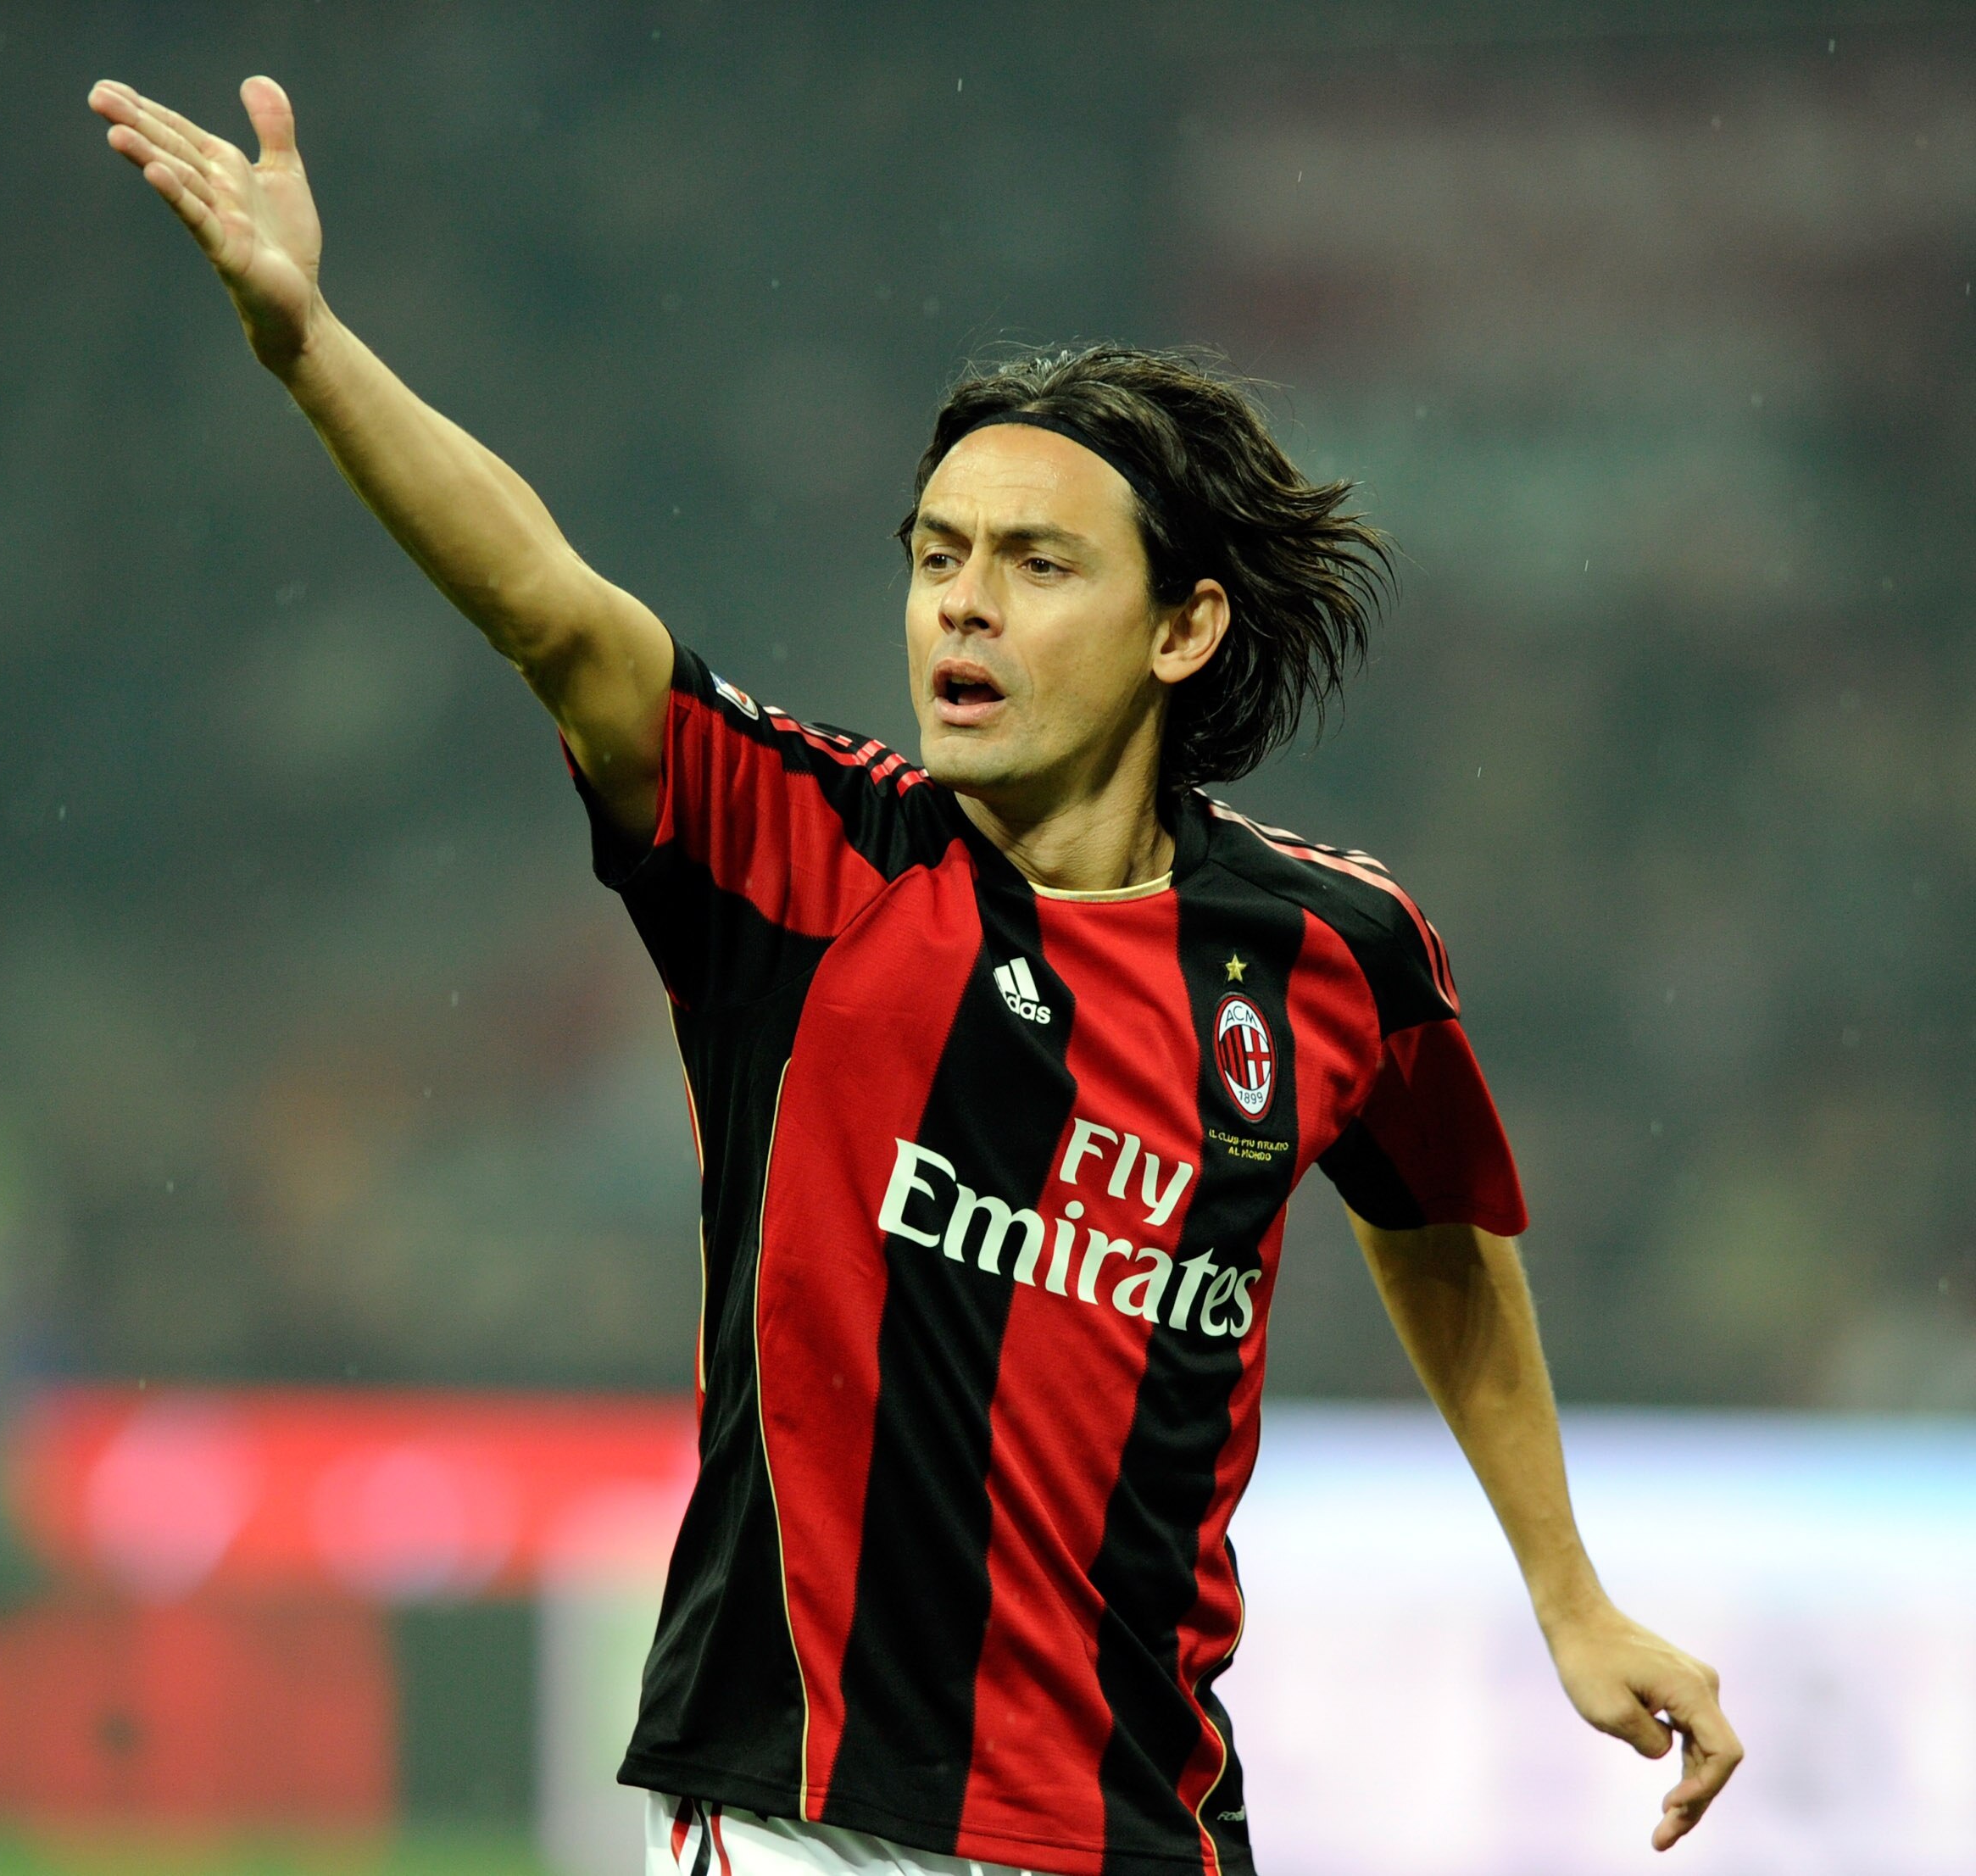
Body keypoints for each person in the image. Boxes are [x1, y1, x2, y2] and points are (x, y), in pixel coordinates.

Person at [89, 75, 1743, 1874]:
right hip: (809, 1817)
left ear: (1183, 628)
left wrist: (1567, 1592)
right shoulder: (805, 859)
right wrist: (312, 346)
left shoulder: (1335, 953)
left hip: (1148, 1825)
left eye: (1038, 566)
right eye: (937, 558)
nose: (963, 604)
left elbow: (1436, 1222)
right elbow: (555, 609)